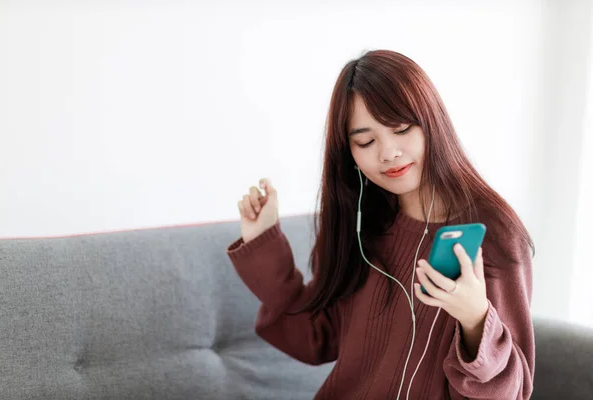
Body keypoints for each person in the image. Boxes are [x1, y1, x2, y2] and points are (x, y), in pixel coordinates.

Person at [226, 50, 535, 400]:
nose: (388, 152)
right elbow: (316, 338)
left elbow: (512, 392)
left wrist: (476, 322)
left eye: (401, 129)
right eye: (366, 141)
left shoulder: (493, 235)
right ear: (350, 153)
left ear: (432, 122)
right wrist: (262, 243)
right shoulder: (361, 224)